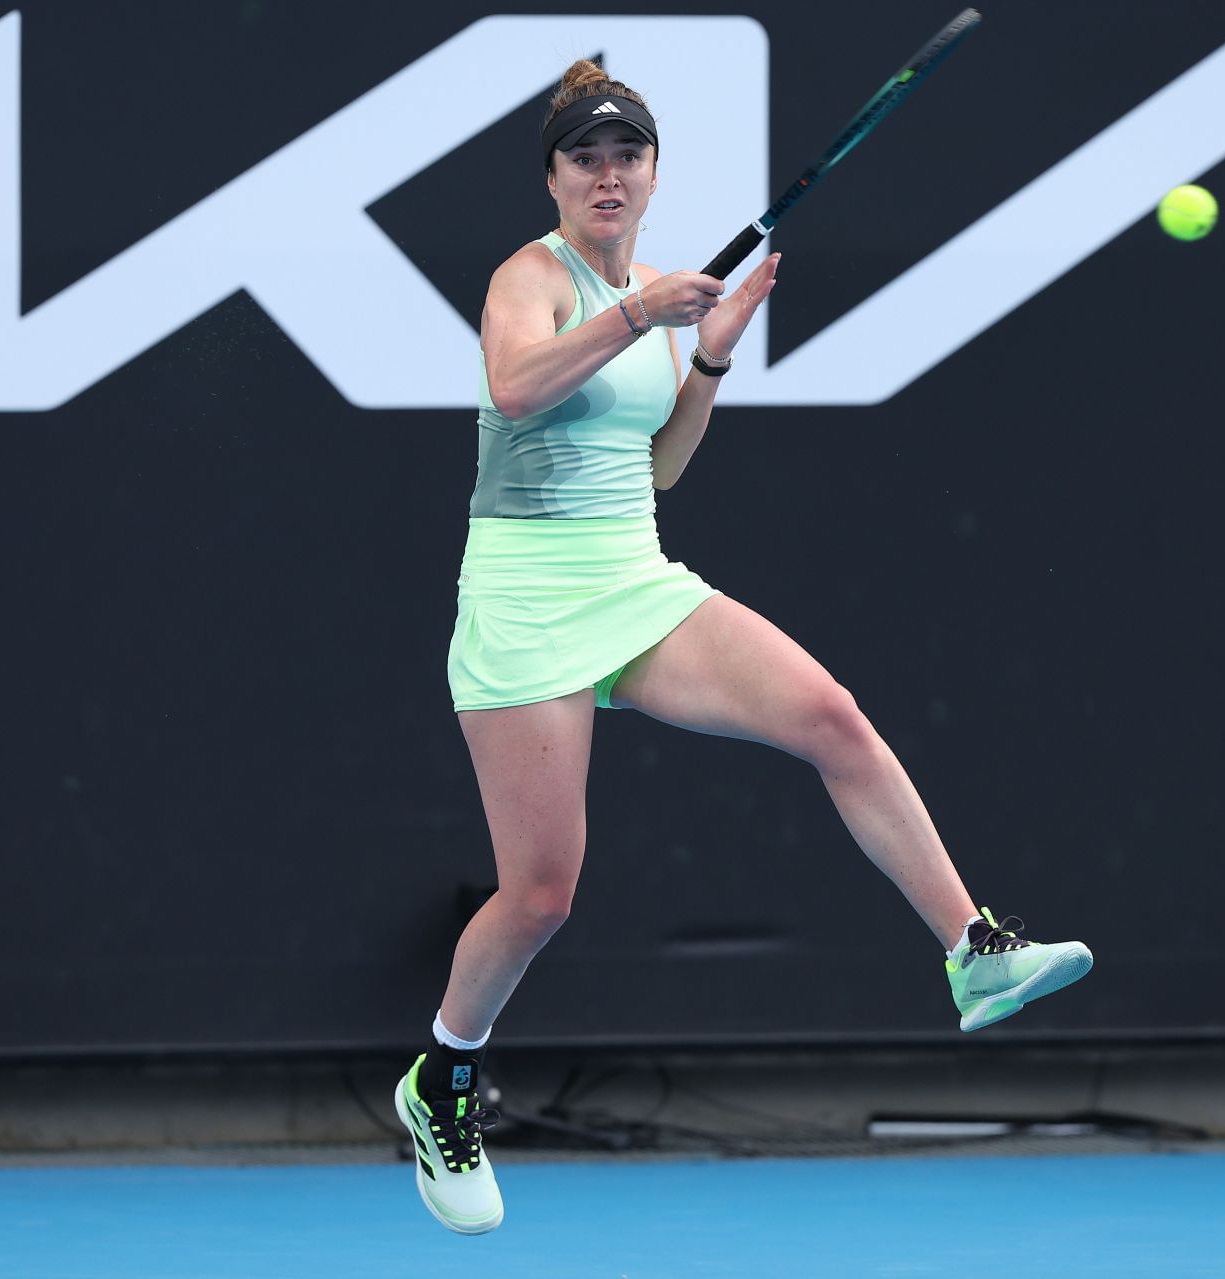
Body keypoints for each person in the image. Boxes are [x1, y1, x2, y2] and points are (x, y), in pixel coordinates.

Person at [391, 60, 1093, 1235]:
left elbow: (660, 464)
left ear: (655, 174)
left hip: (634, 573)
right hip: (522, 592)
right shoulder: (533, 276)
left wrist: (706, 353)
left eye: (627, 157)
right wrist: (635, 317)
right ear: (554, 178)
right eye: (585, 158)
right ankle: (444, 1077)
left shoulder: (667, 293)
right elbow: (514, 392)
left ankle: (972, 947)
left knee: (832, 715)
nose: (607, 175)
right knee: (542, 893)